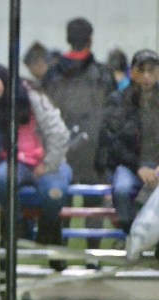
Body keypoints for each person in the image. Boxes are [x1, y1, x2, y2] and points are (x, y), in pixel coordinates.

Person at [0, 63, 72, 271]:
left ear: (3, 76)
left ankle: (48, 230)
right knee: (2, 178)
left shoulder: (33, 97)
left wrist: (48, 163)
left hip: (49, 161)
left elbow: (59, 134)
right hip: (15, 163)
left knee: (55, 193)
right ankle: (18, 225)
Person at [42, 18, 117, 256]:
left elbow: (43, 115)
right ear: (90, 39)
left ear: (67, 38)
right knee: (93, 207)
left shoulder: (52, 74)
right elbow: (112, 116)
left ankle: (58, 257)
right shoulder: (103, 74)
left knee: (59, 202)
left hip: (60, 152)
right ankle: (92, 259)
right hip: (93, 153)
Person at [97, 49, 159, 239]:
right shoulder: (118, 100)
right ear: (132, 73)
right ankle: (134, 235)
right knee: (122, 189)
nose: (146, 76)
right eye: (142, 70)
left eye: (152, 71)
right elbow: (113, 142)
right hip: (130, 165)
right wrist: (138, 166)